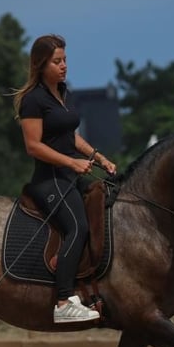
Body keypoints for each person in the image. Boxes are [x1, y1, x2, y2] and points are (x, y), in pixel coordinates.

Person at [12, 34, 117, 323]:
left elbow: (70, 135)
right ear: (41, 64)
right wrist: (72, 161)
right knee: (78, 227)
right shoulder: (33, 100)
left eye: (65, 60)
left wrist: (99, 157)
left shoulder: (63, 92)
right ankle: (62, 301)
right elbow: (33, 146)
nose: (64, 66)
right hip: (50, 180)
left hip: (71, 174)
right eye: (57, 61)